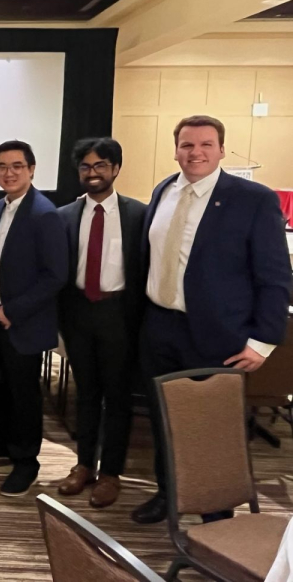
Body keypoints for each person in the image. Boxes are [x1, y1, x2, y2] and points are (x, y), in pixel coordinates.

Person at [131, 115, 292, 525]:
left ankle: (216, 519)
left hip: (217, 335)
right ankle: (168, 494)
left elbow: (275, 276)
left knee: (210, 431)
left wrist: (263, 341)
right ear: (176, 149)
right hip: (159, 327)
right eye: (187, 145)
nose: (195, 152)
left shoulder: (253, 199)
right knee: (163, 420)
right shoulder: (163, 190)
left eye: (205, 144)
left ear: (221, 149)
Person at [56, 138, 146, 509]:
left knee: (118, 397)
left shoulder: (139, 215)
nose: (92, 174)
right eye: (85, 167)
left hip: (119, 314)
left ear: (116, 169)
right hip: (78, 313)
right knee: (86, 394)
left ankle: (111, 473)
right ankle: (83, 466)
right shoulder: (64, 216)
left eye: (100, 166)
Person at [0, 140, 68, 497]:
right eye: (2, 166)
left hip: (22, 320)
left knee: (24, 393)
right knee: (0, 385)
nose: (9, 172)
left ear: (32, 169)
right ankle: (6, 440)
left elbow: (55, 275)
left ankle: (27, 461)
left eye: (17, 165)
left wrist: (12, 310)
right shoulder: (0, 207)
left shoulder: (44, 213)